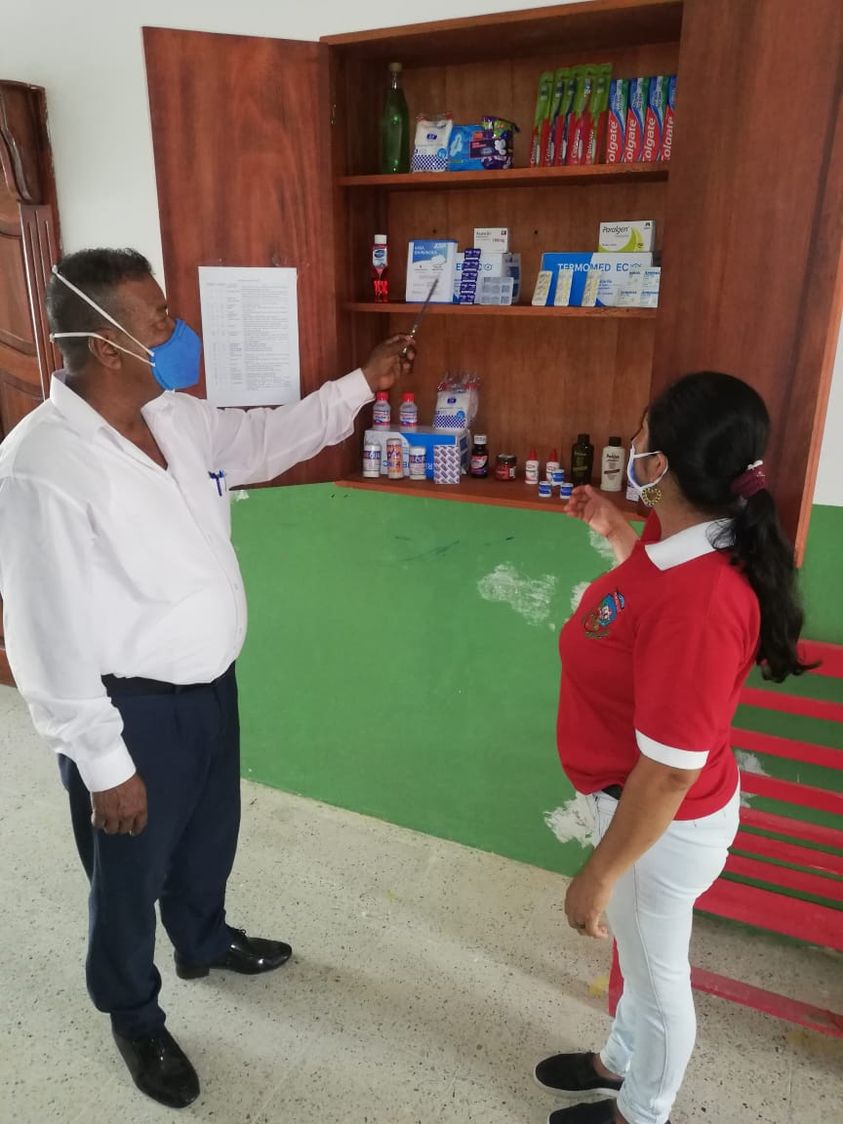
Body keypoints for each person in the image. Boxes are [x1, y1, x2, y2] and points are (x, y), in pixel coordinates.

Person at [0, 247, 414, 1110]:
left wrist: (360, 385)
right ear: (107, 345)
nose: (176, 329)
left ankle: (201, 938)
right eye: (158, 319)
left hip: (210, 688)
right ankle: (134, 1015)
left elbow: (263, 439)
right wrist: (104, 765)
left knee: (206, 837)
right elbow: (43, 635)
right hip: (128, 711)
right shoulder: (41, 466)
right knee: (127, 877)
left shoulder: (174, 416)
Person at [535, 372, 810, 1124]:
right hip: (634, 806)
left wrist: (597, 874)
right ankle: (617, 1062)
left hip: (660, 824)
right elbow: (645, 594)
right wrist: (615, 530)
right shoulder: (677, 538)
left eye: (642, 438)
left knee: (659, 982)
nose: (633, 446)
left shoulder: (704, 602)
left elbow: (666, 774)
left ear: (661, 465)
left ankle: (643, 1112)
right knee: (638, 957)